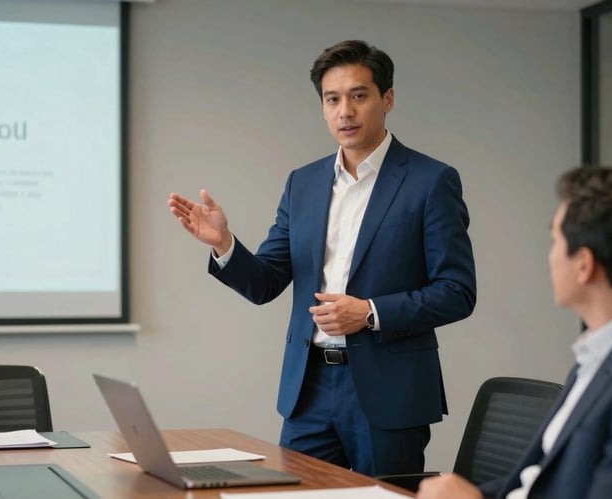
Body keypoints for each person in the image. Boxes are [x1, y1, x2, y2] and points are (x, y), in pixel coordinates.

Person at [168, 39, 476, 476]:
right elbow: (266, 282)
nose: (345, 111)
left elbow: (457, 292)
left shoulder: (430, 181)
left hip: (388, 392)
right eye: (332, 99)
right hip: (309, 389)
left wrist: (369, 313)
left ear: (387, 99)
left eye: (359, 95)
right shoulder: (304, 183)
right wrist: (224, 244)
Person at [417, 166, 612, 499]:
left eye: (555, 240)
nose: (550, 256)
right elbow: (536, 484)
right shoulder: (607, 352)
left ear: (584, 265)